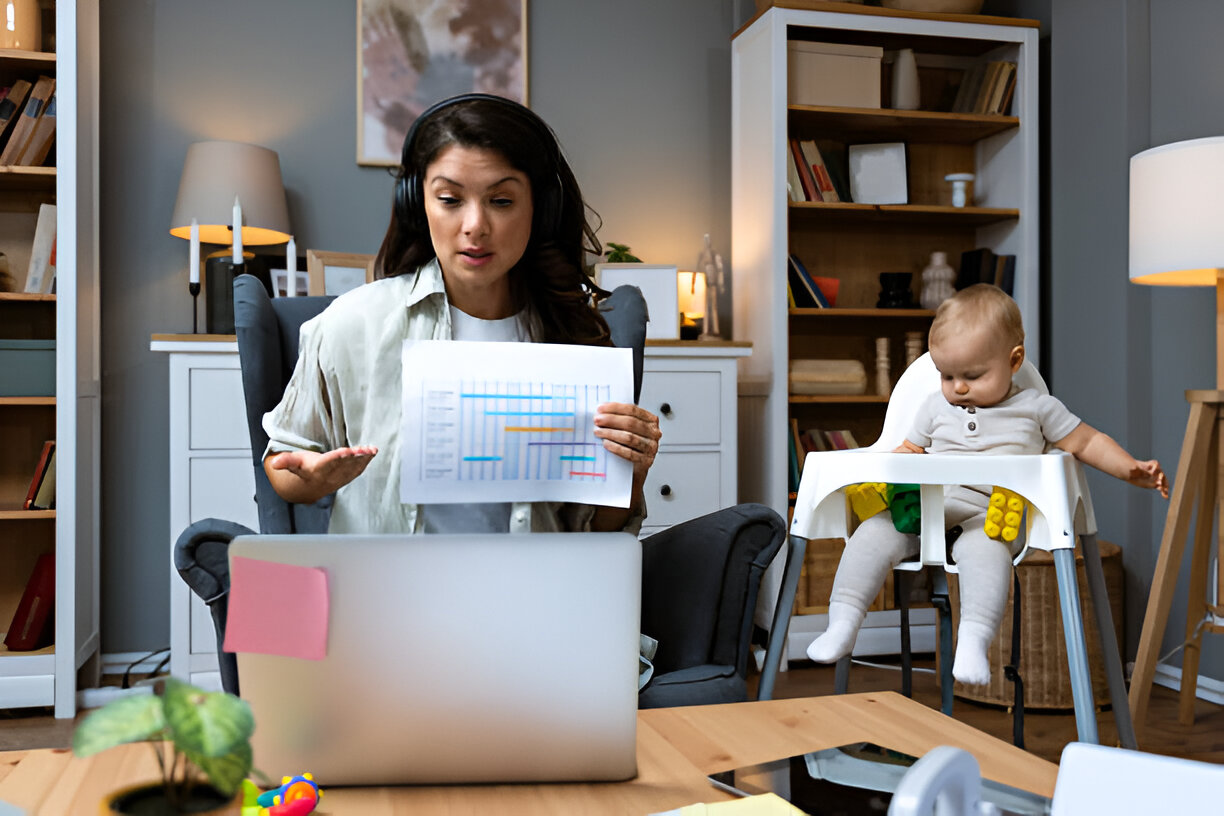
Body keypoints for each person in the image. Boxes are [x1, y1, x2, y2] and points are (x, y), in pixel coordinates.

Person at [260, 94, 661, 535]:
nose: (475, 226)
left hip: (530, 593)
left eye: (501, 201)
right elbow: (283, 461)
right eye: (450, 199)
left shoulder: (573, 337)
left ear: (539, 209)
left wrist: (631, 473)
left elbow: (596, 534)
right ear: (419, 203)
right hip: (389, 594)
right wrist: (309, 479)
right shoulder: (351, 324)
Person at [806, 284, 1168, 685]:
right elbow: (909, 449)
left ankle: (973, 642)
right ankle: (843, 622)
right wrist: (893, 470)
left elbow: (1086, 442)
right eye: (947, 375)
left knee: (985, 556)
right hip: (928, 510)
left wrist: (1130, 468)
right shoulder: (934, 407)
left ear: (1014, 361)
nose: (958, 387)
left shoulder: (1036, 409)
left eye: (973, 375)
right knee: (872, 535)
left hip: (990, 517)